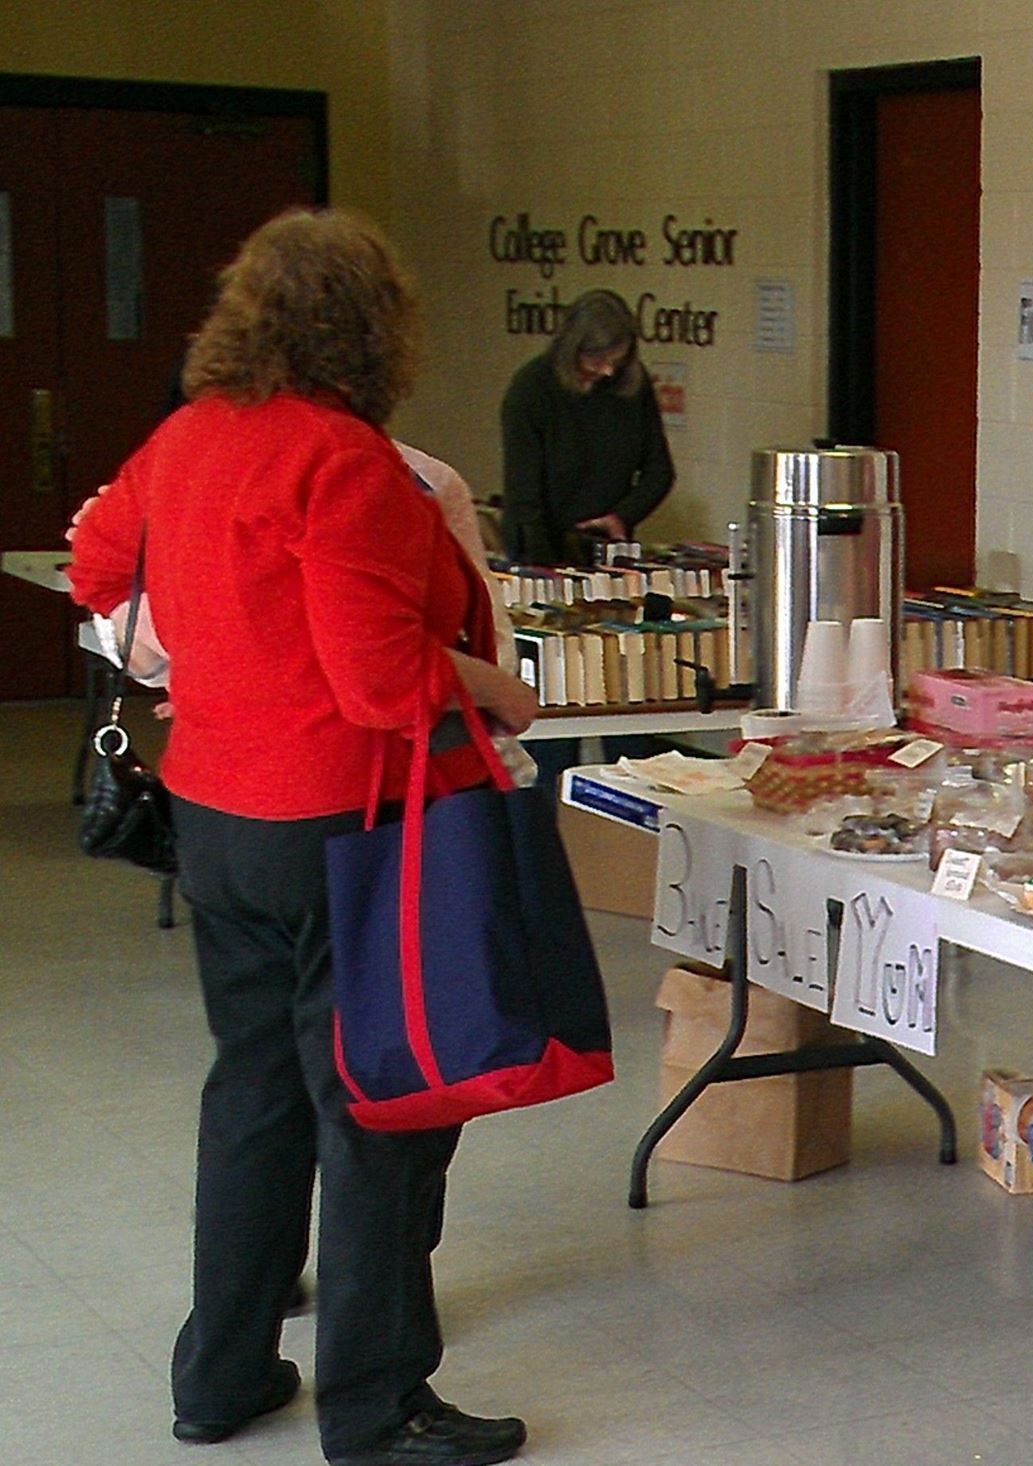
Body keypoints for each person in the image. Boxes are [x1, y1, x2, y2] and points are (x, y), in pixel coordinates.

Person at [66, 209, 536, 1466]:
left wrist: (219, 650)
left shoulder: (185, 435)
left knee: (255, 1092)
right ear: (377, 330)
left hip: (215, 814)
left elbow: (95, 566)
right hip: (349, 825)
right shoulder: (349, 464)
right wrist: (493, 689)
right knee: (378, 1110)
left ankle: (220, 1375)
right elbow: (385, 683)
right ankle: (377, 1411)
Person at [498, 288, 673, 565]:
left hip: (607, 546)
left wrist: (620, 518)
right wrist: (546, 568)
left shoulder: (631, 386)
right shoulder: (532, 388)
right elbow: (524, 496)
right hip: (541, 545)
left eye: (615, 361)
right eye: (597, 361)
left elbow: (659, 471)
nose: (607, 371)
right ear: (572, 349)